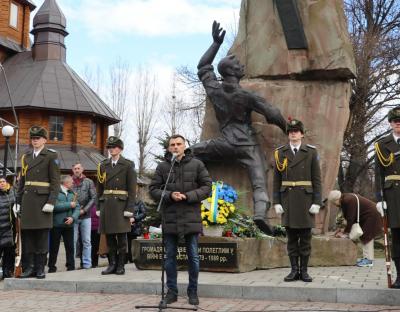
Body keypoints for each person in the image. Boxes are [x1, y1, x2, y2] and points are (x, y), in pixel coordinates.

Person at [190, 21, 287, 235]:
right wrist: (288, 129)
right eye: (239, 65)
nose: (242, 67)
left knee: (189, 154)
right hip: (247, 146)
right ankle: (260, 215)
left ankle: (193, 187)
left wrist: (215, 44)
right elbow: (272, 113)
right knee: (260, 183)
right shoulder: (246, 95)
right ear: (233, 71)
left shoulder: (214, 90)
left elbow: (202, 67)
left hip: (223, 144)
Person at [149, 134, 212, 306]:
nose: (175, 147)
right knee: (170, 257)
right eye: (172, 145)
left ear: (185, 146)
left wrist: (188, 196)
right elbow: (153, 189)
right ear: (169, 148)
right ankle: (172, 292)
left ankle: (193, 292)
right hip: (170, 217)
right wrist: (169, 195)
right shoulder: (163, 167)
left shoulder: (197, 164)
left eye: (178, 144)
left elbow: (207, 187)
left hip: (191, 216)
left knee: (193, 256)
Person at [273, 119, 322, 282]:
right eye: (290, 131)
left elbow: (317, 180)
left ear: (302, 134)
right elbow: (276, 181)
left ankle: (305, 271)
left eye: (296, 131)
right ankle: (294, 270)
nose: (293, 133)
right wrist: (277, 202)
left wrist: (317, 202)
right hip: (288, 200)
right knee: (292, 238)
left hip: (306, 201)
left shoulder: (311, 152)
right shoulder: (280, 152)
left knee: (306, 238)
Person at [16, 126, 60, 279]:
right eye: (33, 138)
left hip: (42, 202)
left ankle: (40, 268)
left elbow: (55, 182)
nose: (35, 141)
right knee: (28, 237)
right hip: (28, 201)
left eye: (38, 138)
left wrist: (51, 202)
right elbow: (22, 182)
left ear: (44, 140)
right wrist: (18, 201)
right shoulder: (26, 157)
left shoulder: (51, 156)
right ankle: (30, 268)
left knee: (41, 237)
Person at [96, 136, 136, 275]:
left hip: (121, 205)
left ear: (120, 149)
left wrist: (130, 209)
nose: (111, 149)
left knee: (122, 238)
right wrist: (98, 207)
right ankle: (112, 264)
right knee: (109, 237)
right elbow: (99, 189)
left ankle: (121, 265)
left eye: (114, 147)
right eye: (109, 147)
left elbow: (132, 189)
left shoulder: (128, 165)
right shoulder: (103, 165)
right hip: (106, 204)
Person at [374, 105, 400, 288]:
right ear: (390, 123)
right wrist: (379, 198)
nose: (398, 124)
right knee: (397, 237)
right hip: (393, 197)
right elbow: (378, 174)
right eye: (395, 121)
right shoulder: (382, 145)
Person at [328, 190, 382, 267]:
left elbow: (351, 218)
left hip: (371, 215)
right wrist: (342, 229)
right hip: (367, 216)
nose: (334, 205)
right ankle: (367, 258)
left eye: (333, 203)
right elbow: (349, 218)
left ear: (336, 199)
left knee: (367, 236)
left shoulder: (348, 200)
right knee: (365, 236)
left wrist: (345, 233)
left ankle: (368, 260)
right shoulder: (345, 198)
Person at [48, 175, 80, 273]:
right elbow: (54, 206)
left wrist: (73, 218)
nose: (73, 183)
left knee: (70, 247)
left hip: (69, 225)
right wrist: (69, 205)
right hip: (56, 225)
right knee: (54, 247)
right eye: (71, 182)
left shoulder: (72, 193)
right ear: (66, 183)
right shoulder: (55, 192)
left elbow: (77, 207)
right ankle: (52, 267)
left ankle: (71, 266)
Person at [71, 163, 96, 269]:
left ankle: (87, 264)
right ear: (73, 170)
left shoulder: (89, 182)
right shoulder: (69, 182)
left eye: (78, 168)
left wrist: (84, 210)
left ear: (82, 169)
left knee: (86, 241)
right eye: (75, 168)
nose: (77, 170)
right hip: (73, 215)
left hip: (86, 216)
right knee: (73, 240)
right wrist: (75, 211)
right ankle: (71, 264)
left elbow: (94, 197)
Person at [0, 177, 15, 278]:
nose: (1, 183)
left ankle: (7, 271)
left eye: (3, 181)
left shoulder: (12, 193)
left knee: (9, 252)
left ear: (7, 183)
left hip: (10, 228)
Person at [126, 199, 146, 263]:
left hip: (135, 227)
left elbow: (144, 213)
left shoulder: (139, 202)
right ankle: (126, 258)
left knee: (133, 242)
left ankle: (134, 258)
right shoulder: (124, 202)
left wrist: (134, 218)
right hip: (124, 226)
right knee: (126, 243)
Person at [90, 204, 100, 268]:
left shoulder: (98, 203)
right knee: (91, 246)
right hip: (89, 228)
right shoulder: (89, 204)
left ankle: (94, 263)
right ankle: (91, 263)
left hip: (97, 228)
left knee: (95, 246)